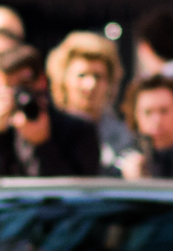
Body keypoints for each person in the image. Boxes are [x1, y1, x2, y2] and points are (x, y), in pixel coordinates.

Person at [0, 45, 101, 179]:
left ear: (41, 81)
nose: (18, 93)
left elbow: (80, 190)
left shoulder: (79, 129)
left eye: (24, 84)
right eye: (9, 87)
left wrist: (43, 145)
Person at [48, 32, 131, 160]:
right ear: (63, 79)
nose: (90, 85)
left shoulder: (124, 135)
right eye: (82, 75)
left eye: (98, 76)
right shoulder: (48, 132)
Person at [120, 75, 173, 179]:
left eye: (164, 111)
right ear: (135, 116)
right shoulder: (123, 162)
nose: (157, 120)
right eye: (148, 112)